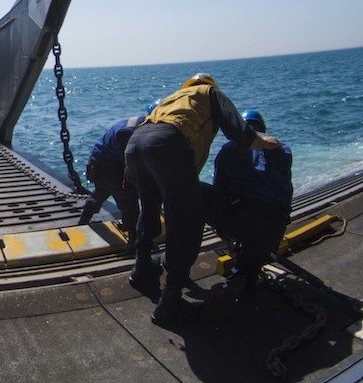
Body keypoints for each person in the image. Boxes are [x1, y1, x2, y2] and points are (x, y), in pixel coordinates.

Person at [124, 74, 280, 324]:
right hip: (165, 143)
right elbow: (233, 122)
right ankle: (171, 301)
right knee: (185, 221)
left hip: (135, 144)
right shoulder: (209, 93)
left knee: (149, 207)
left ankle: (141, 268)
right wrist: (256, 140)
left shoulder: (172, 99)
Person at [206, 109, 293, 296]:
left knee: (195, 194)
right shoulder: (284, 149)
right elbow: (285, 187)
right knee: (251, 261)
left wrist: (220, 224)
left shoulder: (230, 148)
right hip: (276, 224)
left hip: (244, 219)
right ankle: (246, 272)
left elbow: (219, 188)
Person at [77, 106, 154, 245]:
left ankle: (83, 221)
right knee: (129, 199)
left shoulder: (136, 122)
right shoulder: (132, 130)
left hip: (98, 162)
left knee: (101, 191)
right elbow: (129, 154)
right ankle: (133, 239)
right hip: (109, 166)